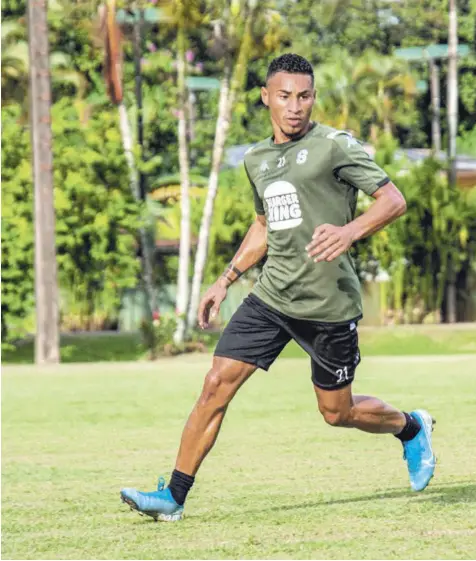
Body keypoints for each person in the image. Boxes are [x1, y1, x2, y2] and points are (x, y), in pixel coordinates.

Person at [120, 53, 436, 522]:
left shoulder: (335, 146)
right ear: (266, 96)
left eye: (304, 96)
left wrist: (349, 232)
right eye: (285, 96)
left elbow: (393, 200)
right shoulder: (256, 159)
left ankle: (410, 428)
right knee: (214, 386)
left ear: (313, 98)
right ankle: (174, 497)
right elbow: (265, 226)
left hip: (328, 304)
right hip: (271, 297)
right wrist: (225, 279)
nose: (295, 106)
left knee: (337, 412)